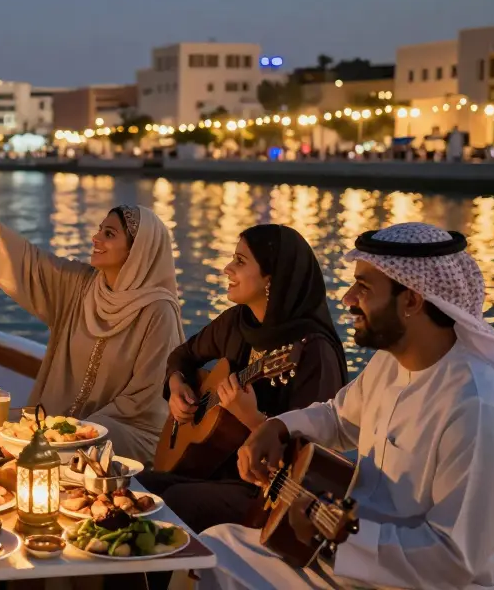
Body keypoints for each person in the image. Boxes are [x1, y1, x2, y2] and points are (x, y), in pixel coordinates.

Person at [198, 223, 494, 590]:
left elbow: (451, 561)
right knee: (214, 548)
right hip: (367, 558)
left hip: (444, 582)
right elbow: (338, 417)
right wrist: (276, 427)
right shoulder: (393, 361)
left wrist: (328, 534)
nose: (346, 299)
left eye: (363, 287)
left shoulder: (481, 410)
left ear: (411, 300)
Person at [0, 190, 185, 461]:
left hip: (126, 430)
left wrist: (77, 430)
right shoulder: (82, 286)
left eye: (109, 234)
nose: (96, 238)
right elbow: (32, 263)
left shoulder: (157, 311)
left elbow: (147, 397)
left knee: (78, 447)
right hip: (60, 427)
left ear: (138, 249)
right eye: (99, 230)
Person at [139, 224, 347, 533]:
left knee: (175, 501)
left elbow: (312, 462)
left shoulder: (312, 352)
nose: (227, 269)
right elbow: (182, 356)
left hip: (267, 492)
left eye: (239, 261)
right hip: (214, 469)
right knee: (136, 485)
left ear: (270, 278)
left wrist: (252, 419)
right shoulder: (238, 322)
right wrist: (176, 384)